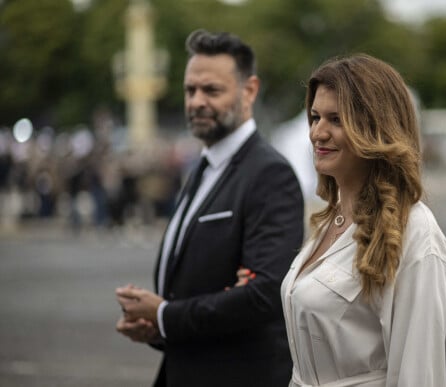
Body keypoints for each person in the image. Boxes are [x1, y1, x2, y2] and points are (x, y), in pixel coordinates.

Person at [240, 53, 446, 386]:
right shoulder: (332, 217)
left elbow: (419, 375)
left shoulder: (416, 233)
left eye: (336, 120)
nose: (317, 133)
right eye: (315, 117)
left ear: (376, 129)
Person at [115, 29, 304, 387]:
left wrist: (165, 315)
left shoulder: (270, 173)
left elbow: (265, 294)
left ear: (249, 91)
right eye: (190, 90)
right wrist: (156, 327)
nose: (197, 101)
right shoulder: (202, 167)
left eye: (212, 90)